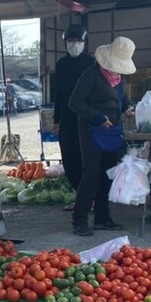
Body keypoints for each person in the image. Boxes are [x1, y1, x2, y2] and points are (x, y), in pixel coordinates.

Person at [68, 36, 137, 236]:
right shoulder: (91, 75)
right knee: (91, 174)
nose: (118, 70)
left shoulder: (119, 78)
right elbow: (75, 102)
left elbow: (122, 99)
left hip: (112, 130)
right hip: (92, 129)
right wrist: (97, 117)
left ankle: (102, 217)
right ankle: (79, 220)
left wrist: (128, 108)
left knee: (108, 174)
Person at [53, 24, 95, 207]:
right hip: (67, 118)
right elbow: (58, 94)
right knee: (69, 157)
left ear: (84, 43)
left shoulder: (91, 63)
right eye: (70, 41)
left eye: (78, 41)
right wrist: (56, 120)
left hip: (86, 117)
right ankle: (80, 195)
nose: (74, 44)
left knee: (86, 157)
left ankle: (90, 198)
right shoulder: (61, 64)